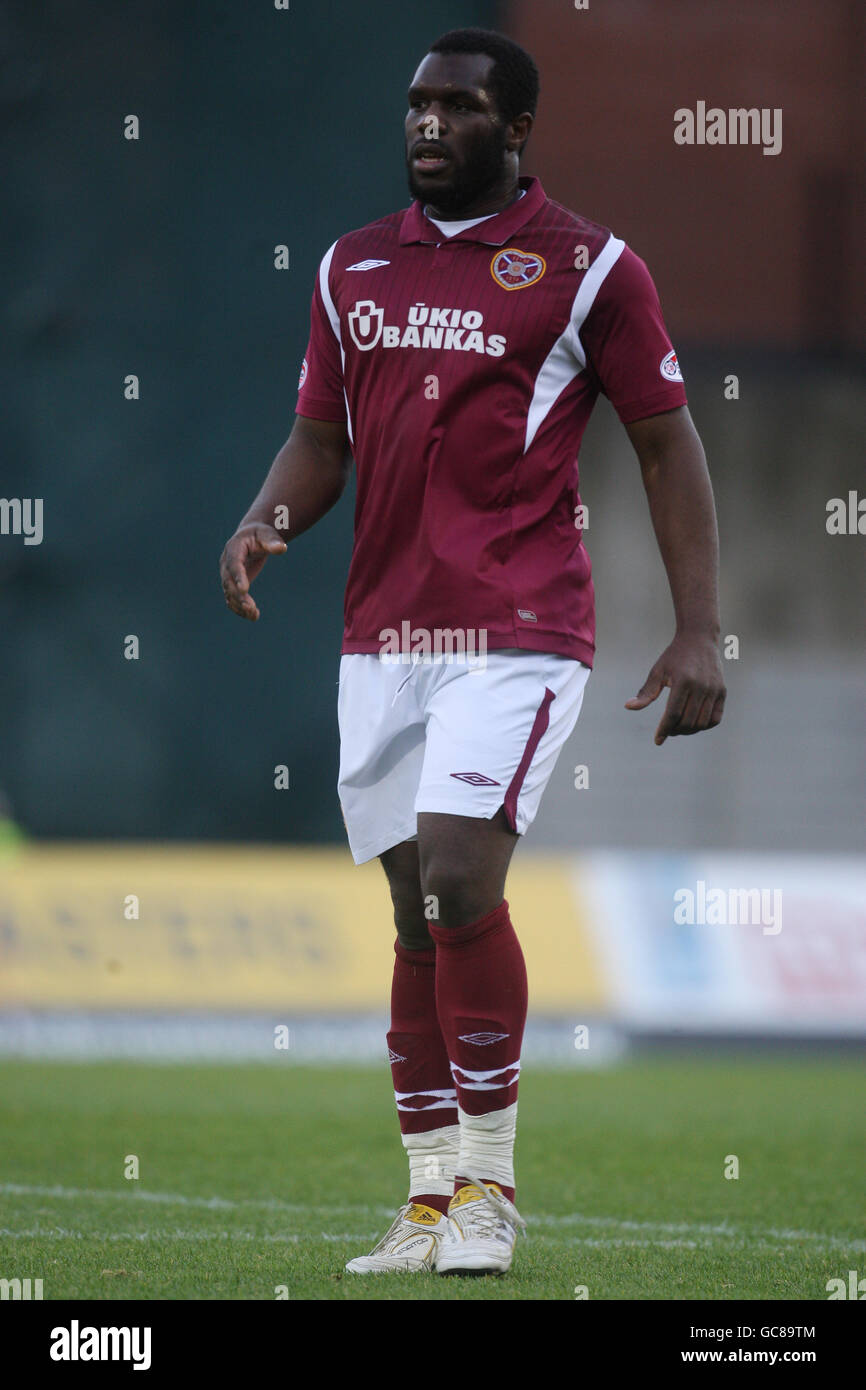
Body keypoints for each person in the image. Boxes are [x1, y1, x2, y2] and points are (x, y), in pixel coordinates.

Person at [219, 27, 726, 1277]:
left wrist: (699, 626)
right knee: (409, 907)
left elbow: (667, 443)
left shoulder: (591, 268)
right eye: (414, 106)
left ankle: (492, 1190)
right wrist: (262, 520)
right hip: (381, 631)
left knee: (455, 874)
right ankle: (429, 1199)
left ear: (517, 128)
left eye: (456, 107)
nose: (427, 126)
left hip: (518, 623)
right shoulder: (352, 268)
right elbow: (320, 441)